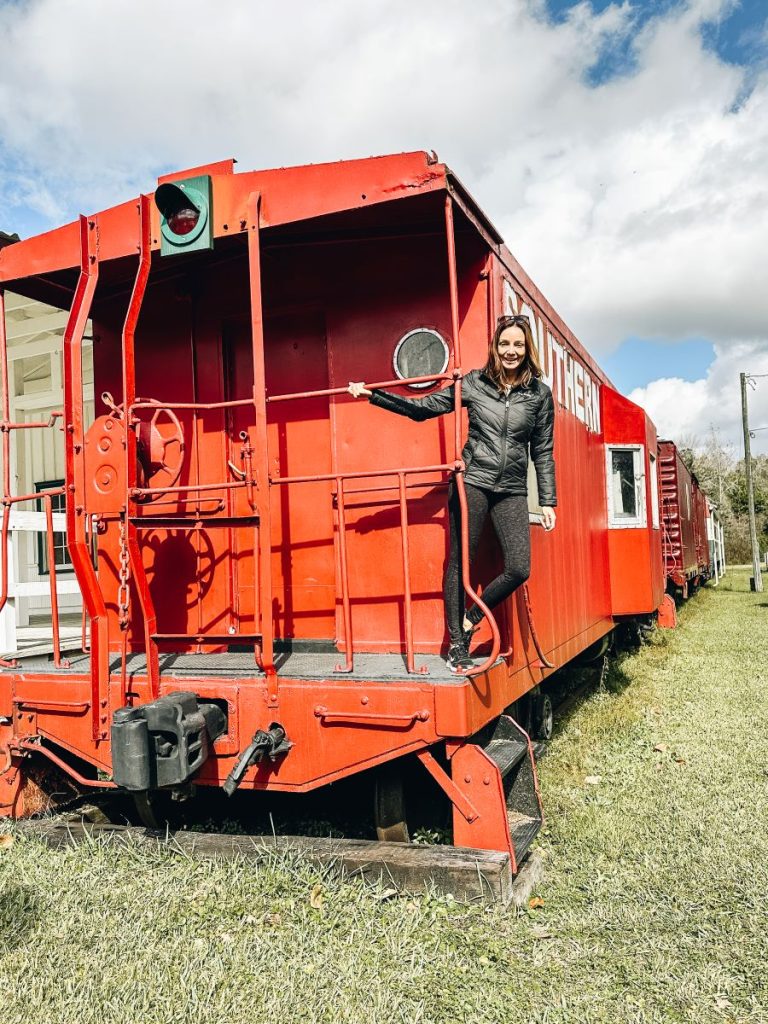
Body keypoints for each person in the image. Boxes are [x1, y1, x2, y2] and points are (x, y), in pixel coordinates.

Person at [348, 314, 556, 672]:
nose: (511, 351)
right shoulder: (475, 383)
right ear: (495, 346)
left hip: (511, 489)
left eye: (518, 345)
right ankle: (457, 646)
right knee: (460, 563)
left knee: (519, 568)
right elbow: (423, 410)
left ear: (527, 349)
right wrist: (375, 396)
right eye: (505, 343)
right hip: (471, 482)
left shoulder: (538, 395)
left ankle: (472, 617)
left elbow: (543, 450)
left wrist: (548, 500)